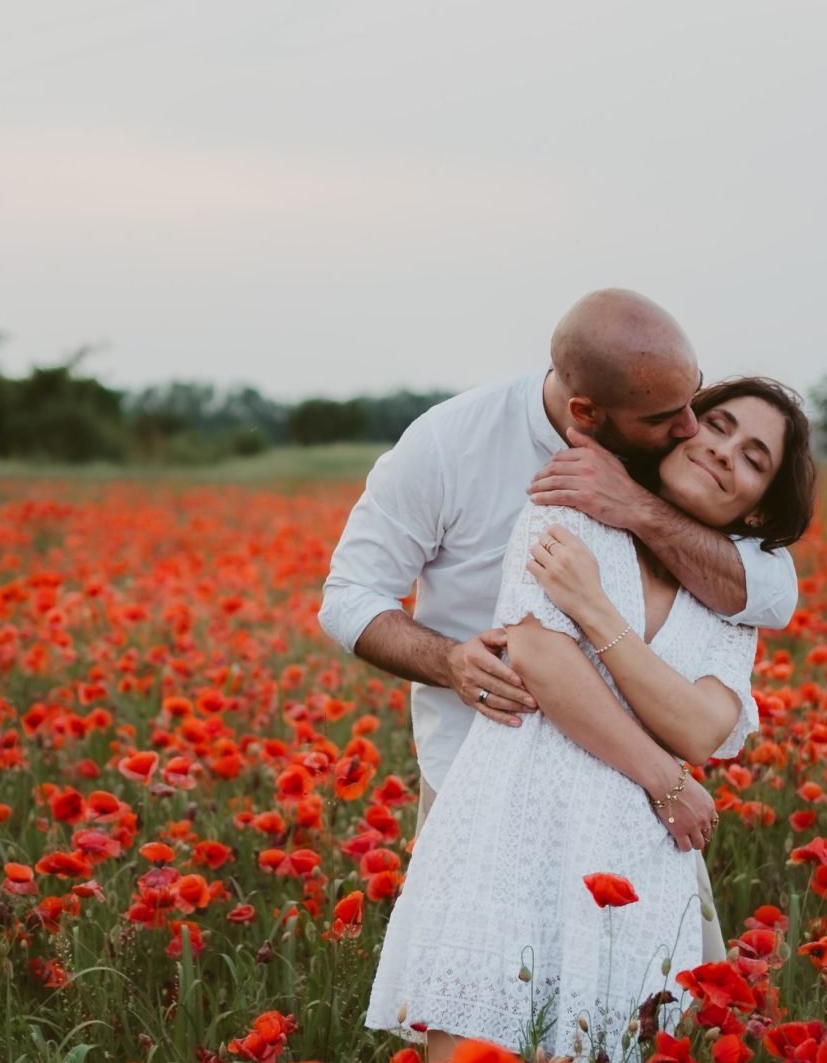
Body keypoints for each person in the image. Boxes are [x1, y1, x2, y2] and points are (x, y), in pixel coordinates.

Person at [356, 373, 817, 1063]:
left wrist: (595, 612)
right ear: (681, 425)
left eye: (755, 458)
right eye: (719, 427)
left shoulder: (731, 592)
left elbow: (702, 727)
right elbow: (541, 657)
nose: (726, 453)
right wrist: (664, 776)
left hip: (636, 863)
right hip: (511, 828)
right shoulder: (571, 509)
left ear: (757, 508)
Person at [317, 288, 799, 815]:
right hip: (478, 779)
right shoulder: (446, 444)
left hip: (637, 804)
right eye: (667, 416)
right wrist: (449, 661)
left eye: (695, 397)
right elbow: (349, 595)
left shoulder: (674, 456)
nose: (690, 427)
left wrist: (635, 505)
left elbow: (773, 595)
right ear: (585, 412)